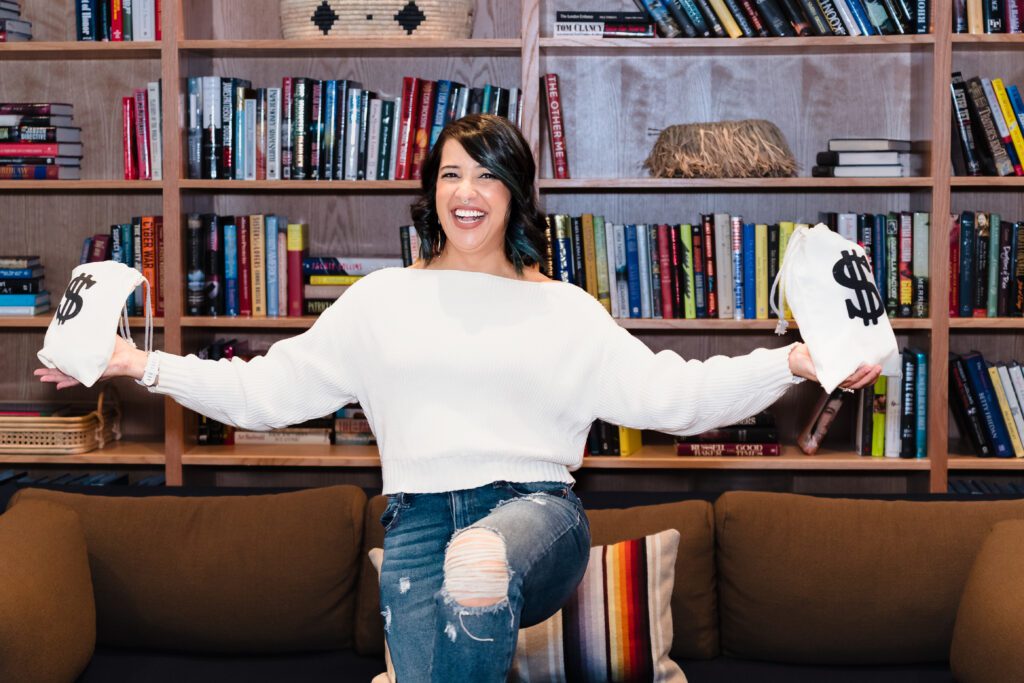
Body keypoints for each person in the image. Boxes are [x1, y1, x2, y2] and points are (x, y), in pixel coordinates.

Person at [35, 114, 881, 682]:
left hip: (534, 515)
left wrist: (794, 363)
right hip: (414, 524)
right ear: (430, 191)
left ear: (513, 192)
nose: (464, 191)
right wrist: (133, 363)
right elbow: (263, 393)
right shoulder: (378, 301)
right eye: (449, 174)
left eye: (484, 174)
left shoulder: (564, 308)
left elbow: (678, 395)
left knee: (478, 560)